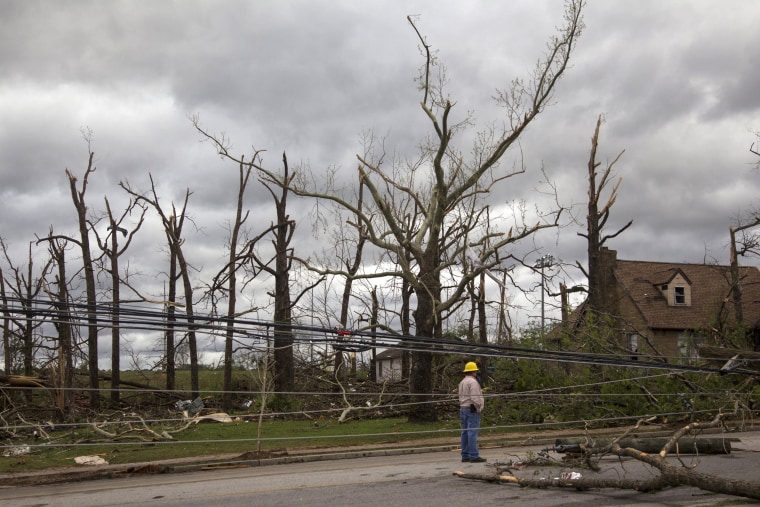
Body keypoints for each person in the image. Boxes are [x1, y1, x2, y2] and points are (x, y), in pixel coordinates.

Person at [458, 361, 486, 463]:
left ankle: (465, 455)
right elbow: (475, 398)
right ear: (474, 372)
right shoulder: (473, 382)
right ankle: (473, 455)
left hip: (463, 408)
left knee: (464, 432)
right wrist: (479, 408)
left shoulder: (462, 382)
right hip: (472, 409)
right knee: (472, 432)